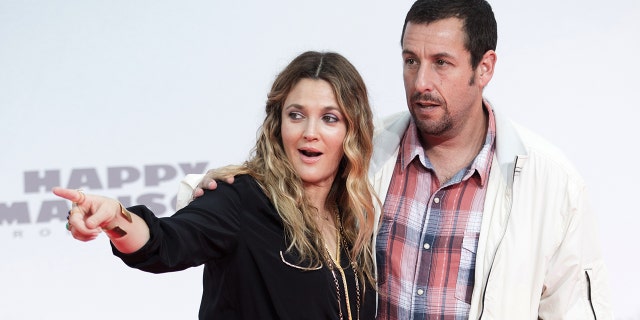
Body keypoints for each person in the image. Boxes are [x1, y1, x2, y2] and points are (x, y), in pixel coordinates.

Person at [184, 0, 613, 319]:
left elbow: (573, 310)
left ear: (484, 68)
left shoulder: (549, 183)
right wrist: (212, 189)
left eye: (441, 63)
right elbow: (278, 185)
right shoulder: (362, 151)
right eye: (411, 60)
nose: (421, 82)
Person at [53, 51, 378, 320]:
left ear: (352, 129)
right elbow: (166, 244)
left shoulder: (352, 217)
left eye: (330, 118)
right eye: (296, 115)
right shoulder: (240, 197)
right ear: (278, 124)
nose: (310, 131)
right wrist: (115, 218)